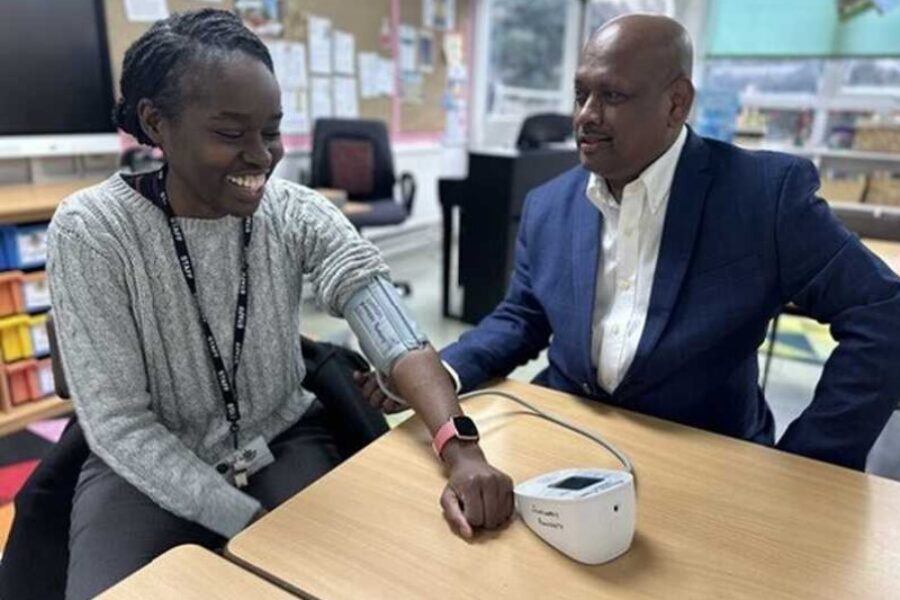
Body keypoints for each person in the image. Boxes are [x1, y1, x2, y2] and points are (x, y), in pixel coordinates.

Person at [48, 10, 512, 599]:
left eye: (271, 131)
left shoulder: (293, 211)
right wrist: (245, 521)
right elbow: (118, 423)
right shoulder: (92, 231)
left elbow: (395, 335)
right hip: (143, 465)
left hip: (282, 439)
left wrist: (461, 449)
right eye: (230, 133)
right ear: (156, 122)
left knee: (361, 579)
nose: (261, 157)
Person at [360, 14, 900, 472]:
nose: (585, 116)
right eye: (580, 94)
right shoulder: (551, 205)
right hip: (569, 440)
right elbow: (522, 317)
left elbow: (883, 310)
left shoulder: (762, 197)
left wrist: (810, 463)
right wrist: (440, 373)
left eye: (612, 95)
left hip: (709, 455)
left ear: (676, 103)